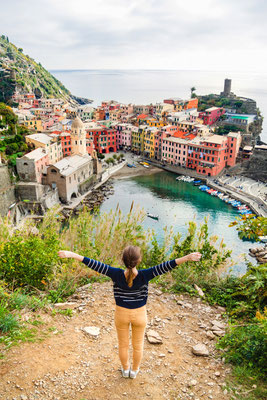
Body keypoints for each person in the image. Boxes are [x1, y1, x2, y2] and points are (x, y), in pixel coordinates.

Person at [58, 247, 202, 379]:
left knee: (123, 345)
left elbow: (94, 264)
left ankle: (125, 369)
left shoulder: (115, 273)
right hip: (140, 315)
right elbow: (167, 266)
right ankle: (134, 371)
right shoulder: (146, 275)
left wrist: (72, 255)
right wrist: (187, 257)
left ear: (123, 260)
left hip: (121, 315)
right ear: (138, 261)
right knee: (138, 345)